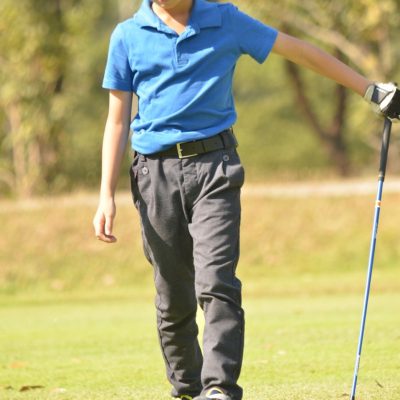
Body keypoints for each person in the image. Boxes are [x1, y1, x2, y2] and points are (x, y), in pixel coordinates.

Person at [93, 0, 400, 399]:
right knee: (173, 297)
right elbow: (117, 120)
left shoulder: (225, 20)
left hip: (215, 168)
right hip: (155, 176)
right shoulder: (128, 35)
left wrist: (370, 90)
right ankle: (187, 387)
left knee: (216, 282)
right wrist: (106, 194)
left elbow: (299, 50)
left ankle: (218, 388)